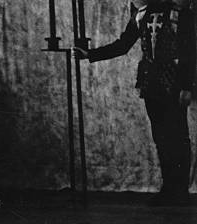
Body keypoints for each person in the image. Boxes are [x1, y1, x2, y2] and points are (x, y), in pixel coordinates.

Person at [76, 0, 195, 205]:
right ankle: (168, 189)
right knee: (161, 136)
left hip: (175, 82)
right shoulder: (141, 14)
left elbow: (190, 52)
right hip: (151, 83)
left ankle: (181, 191)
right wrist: (91, 54)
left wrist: (186, 86)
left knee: (178, 136)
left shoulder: (180, 14)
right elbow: (123, 45)